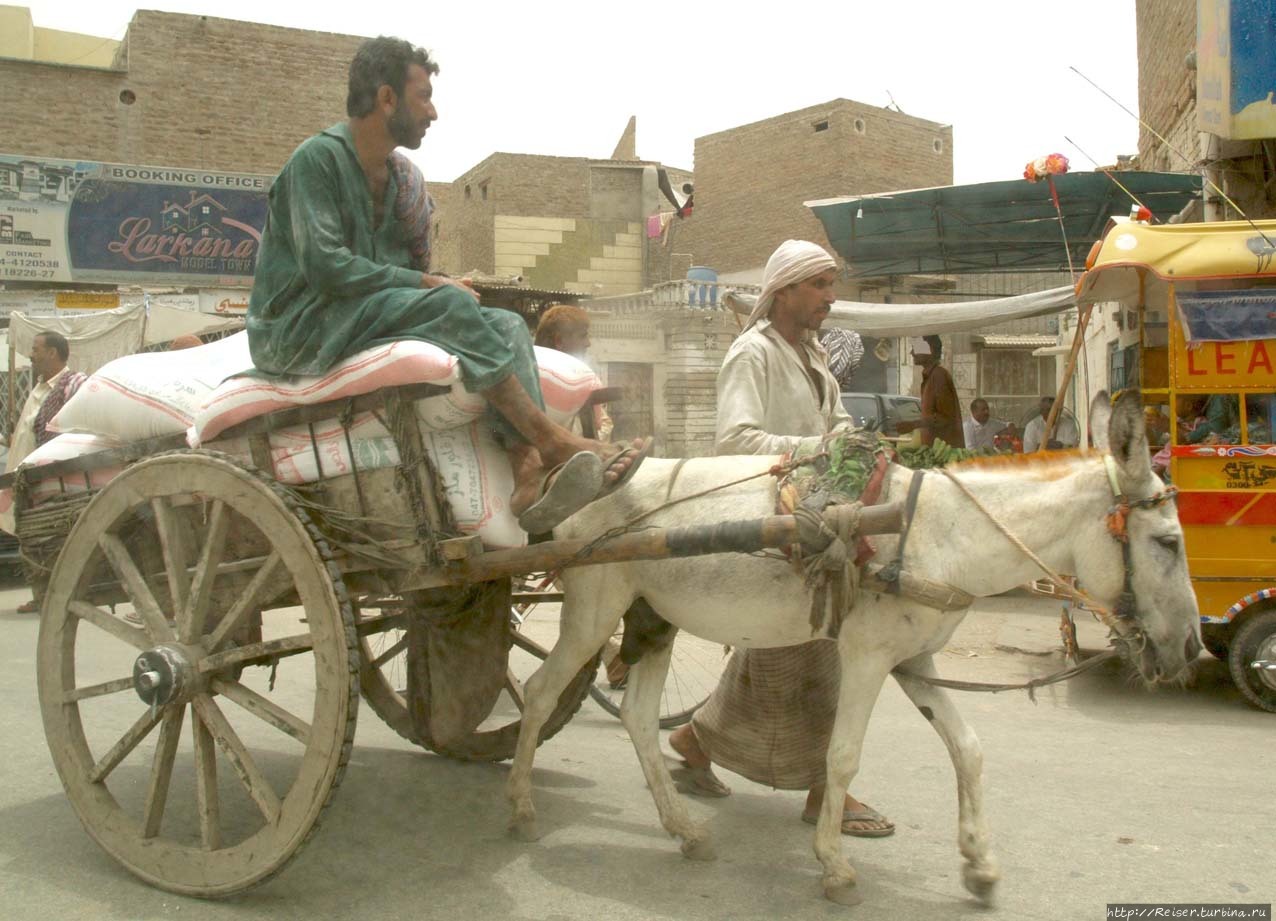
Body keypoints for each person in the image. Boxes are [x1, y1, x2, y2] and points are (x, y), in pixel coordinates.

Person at [246, 36, 645, 534]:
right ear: (387, 98)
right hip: (299, 325)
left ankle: (527, 465)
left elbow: (390, 278)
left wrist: (435, 283)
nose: (433, 112)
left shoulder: (396, 182)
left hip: (354, 314)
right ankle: (551, 439)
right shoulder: (316, 161)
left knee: (502, 321)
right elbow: (327, 268)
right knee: (446, 304)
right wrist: (427, 283)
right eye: (424, 97)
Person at [666, 239, 895, 839]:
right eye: (820, 285)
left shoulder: (814, 353)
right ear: (785, 290)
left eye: (831, 283)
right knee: (817, 642)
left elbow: (835, 420)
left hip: (817, 511)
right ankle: (826, 790)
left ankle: (696, 738)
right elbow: (735, 440)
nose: (830, 296)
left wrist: (854, 440)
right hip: (774, 514)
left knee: (787, 643)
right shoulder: (751, 354)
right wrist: (818, 449)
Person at [5, 331, 87, 612]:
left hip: (56, 477)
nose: (31, 354)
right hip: (29, 477)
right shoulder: (39, 389)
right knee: (31, 536)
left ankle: (57, 594)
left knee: (52, 536)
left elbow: (80, 425)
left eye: (36, 349)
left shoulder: (73, 383)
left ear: (53, 353)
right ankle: (42, 594)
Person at [533, 304, 613, 441]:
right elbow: (600, 426)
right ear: (559, 341)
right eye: (582, 336)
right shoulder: (583, 378)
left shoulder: (527, 369)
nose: (588, 343)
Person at [909, 335, 964, 447]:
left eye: (916, 348)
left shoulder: (939, 376)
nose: (912, 352)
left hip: (944, 453)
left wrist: (913, 424)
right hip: (932, 450)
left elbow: (944, 418)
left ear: (931, 350)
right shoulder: (930, 376)